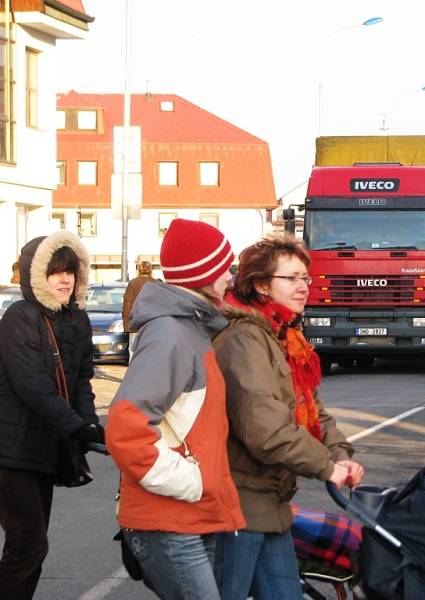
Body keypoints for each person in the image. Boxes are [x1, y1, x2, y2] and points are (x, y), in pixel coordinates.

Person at [212, 234, 364, 600]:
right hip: (241, 504)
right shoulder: (244, 339)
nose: (303, 287)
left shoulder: (284, 337)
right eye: (291, 278)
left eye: (305, 278)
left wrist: (340, 455)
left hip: (272, 503)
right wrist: (326, 468)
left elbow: (314, 410)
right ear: (261, 285)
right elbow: (264, 429)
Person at [105, 219, 245, 599]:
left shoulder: (191, 330)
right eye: (224, 269)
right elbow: (125, 428)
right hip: (169, 518)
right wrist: (194, 481)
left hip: (191, 513)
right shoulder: (171, 335)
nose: (229, 279)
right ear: (204, 274)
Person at [0, 231, 102, 600]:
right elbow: (32, 386)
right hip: (10, 449)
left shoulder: (76, 320)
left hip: (43, 449)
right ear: (35, 276)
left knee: (30, 547)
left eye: (70, 272)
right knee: (29, 544)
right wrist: (76, 427)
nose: (64, 279)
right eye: (54, 272)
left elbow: (81, 381)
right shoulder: (19, 318)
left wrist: (90, 423)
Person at [121, 260, 157, 333]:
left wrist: (127, 327)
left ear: (139, 270)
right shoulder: (157, 284)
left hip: (136, 325)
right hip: (153, 325)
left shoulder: (133, 283)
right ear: (151, 270)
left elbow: (127, 306)